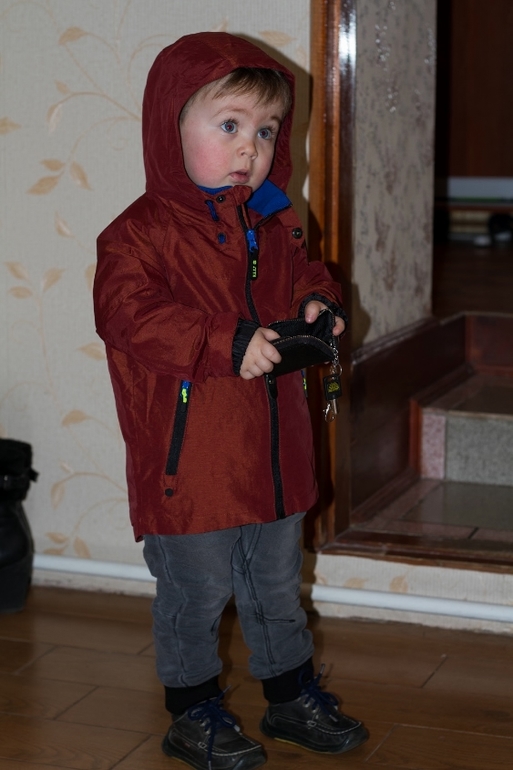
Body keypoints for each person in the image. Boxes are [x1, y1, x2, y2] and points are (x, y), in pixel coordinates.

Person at [94, 31, 368, 770]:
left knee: (276, 583)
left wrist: (319, 303)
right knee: (197, 590)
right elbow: (127, 314)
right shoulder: (137, 235)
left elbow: (306, 273)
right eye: (229, 125)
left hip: (273, 451)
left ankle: (290, 695)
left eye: (266, 130)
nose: (251, 146)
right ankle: (193, 712)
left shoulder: (273, 217)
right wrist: (225, 341)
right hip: (192, 461)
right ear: (169, 127)